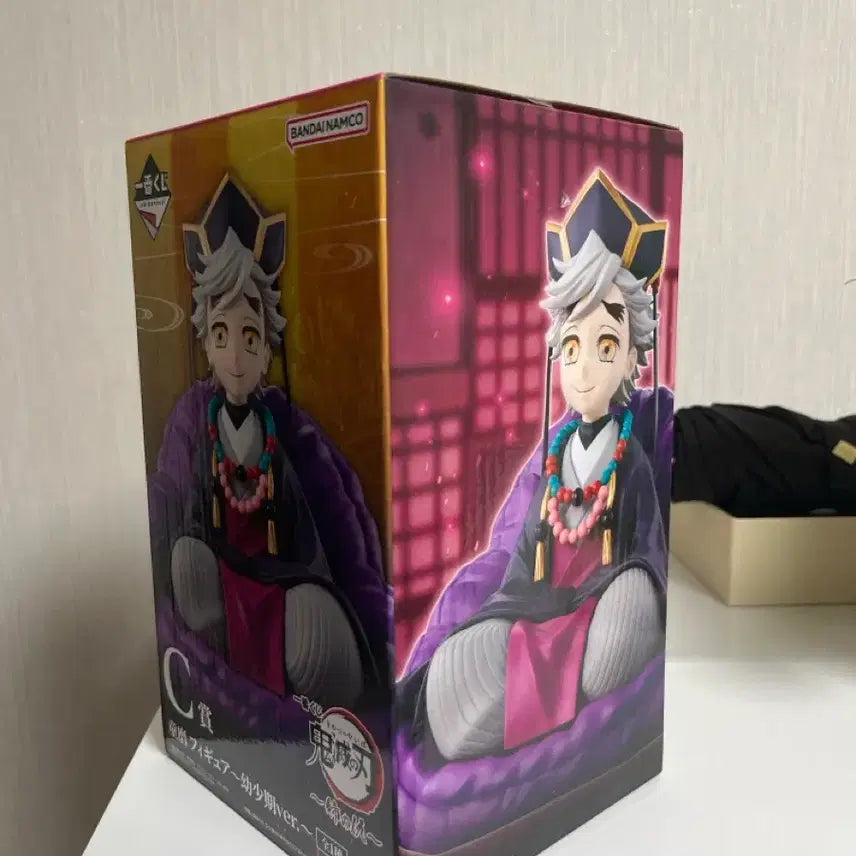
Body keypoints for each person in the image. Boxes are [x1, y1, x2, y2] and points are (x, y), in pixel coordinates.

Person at [399, 170, 668, 762]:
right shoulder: (552, 460)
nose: (585, 367)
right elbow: (517, 563)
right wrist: (504, 616)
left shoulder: (632, 459)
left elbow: (644, 554)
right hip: (538, 617)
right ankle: (509, 698)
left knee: (631, 606)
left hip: (597, 617)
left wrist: (627, 592)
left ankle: (569, 689)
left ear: (633, 357)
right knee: (458, 667)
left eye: (605, 345)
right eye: (571, 347)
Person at [164, 175, 374, 709]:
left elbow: (310, 539)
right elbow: (187, 517)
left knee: (316, 626)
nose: (236, 355)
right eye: (221, 334)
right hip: (222, 577)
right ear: (206, 346)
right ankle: (219, 659)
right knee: (186, 561)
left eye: (250, 336)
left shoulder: (279, 437)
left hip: (277, 586)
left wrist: (311, 586)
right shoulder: (201, 431)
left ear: (267, 353)